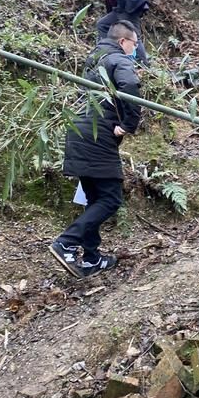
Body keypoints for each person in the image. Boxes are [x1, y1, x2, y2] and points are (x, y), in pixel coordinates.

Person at [50, 21, 142, 278]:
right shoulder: (117, 59)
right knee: (111, 199)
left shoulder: (94, 61)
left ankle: (92, 258)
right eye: (134, 44)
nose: (135, 50)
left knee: (94, 198)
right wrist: (128, 124)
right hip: (97, 136)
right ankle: (66, 242)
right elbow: (131, 88)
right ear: (124, 42)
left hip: (79, 130)